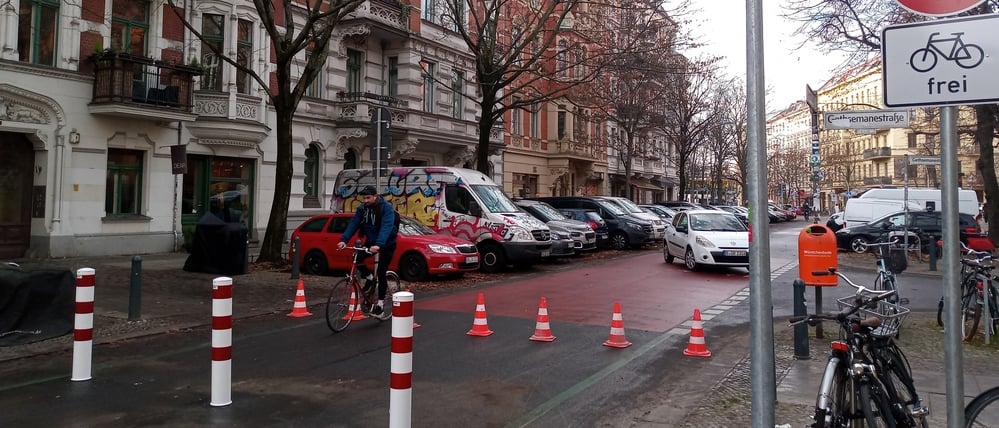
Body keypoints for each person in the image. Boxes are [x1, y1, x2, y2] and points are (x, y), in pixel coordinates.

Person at [336, 185, 398, 319]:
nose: (365, 200)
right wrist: (344, 240)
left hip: (387, 243)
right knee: (357, 257)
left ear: (375, 196)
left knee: (381, 272)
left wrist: (379, 244)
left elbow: (386, 226)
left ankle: (380, 306)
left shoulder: (386, 208)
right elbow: (354, 224)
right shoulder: (363, 209)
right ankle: (369, 279)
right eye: (364, 198)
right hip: (371, 242)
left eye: (368, 198)